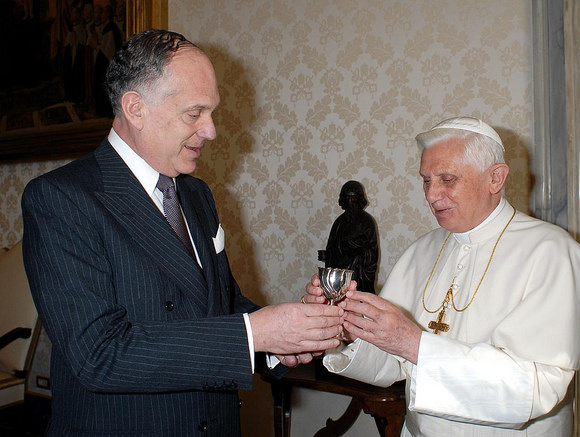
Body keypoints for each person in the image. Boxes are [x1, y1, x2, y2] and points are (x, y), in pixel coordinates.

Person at [21, 29, 344, 436]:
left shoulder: (195, 194)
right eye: (194, 113)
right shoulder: (61, 199)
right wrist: (255, 333)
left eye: (212, 113)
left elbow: (220, 305)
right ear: (135, 108)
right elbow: (99, 355)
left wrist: (283, 340)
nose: (211, 131)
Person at [304, 117, 580, 436]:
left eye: (447, 179)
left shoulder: (551, 252)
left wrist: (415, 344)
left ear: (495, 178)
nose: (431, 194)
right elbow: (396, 361)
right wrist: (346, 327)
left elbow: (537, 389)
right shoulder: (422, 251)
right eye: (426, 180)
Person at [319, 180, 379, 294]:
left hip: (357, 274)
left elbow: (372, 252)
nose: (351, 201)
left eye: (354, 197)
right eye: (347, 197)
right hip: (339, 277)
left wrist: (357, 248)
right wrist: (327, 254)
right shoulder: (339, 222)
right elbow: (332, 247)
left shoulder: (367, 222)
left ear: (359, 198)